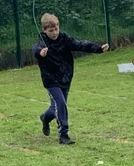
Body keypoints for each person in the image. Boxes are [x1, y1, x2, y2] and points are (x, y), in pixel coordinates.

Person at [33, 13, 108, 145]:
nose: (55, 32)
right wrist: (40, 52)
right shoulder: (42, 41)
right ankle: (64, 135)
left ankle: (45, 118)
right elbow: (35, 49)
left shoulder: (64, 38)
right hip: (51, 80)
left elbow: (79, 44)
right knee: (60, 104)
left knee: (56, 107)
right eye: (51, 30)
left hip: (65, 77)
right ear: (44, 30)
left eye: (56, 29)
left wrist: (98, 49)